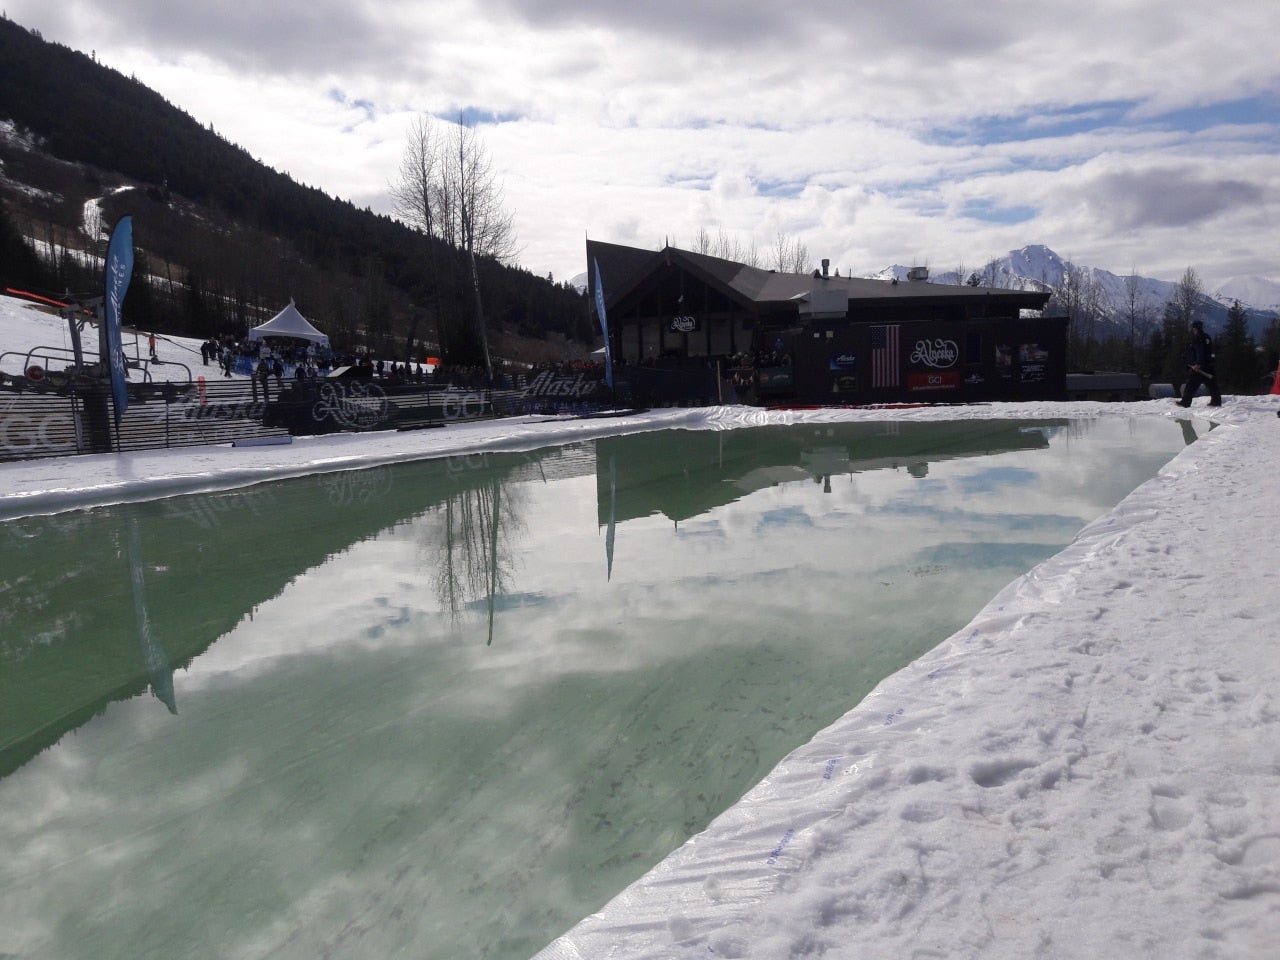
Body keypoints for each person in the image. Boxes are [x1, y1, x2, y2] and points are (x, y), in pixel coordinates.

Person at [1179, 319, 1221, 407]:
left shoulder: (1198, 338)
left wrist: (1198, 364)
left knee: (1191, 384)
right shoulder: (1207, 337)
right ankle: (1216, 401)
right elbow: (1209, 350)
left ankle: (1185, 402)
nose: (1192, 330)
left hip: (1200, 366)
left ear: (1195, 328)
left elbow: (1200, 351)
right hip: (1209, 364)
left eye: (1193, 328)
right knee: (1212, 384)